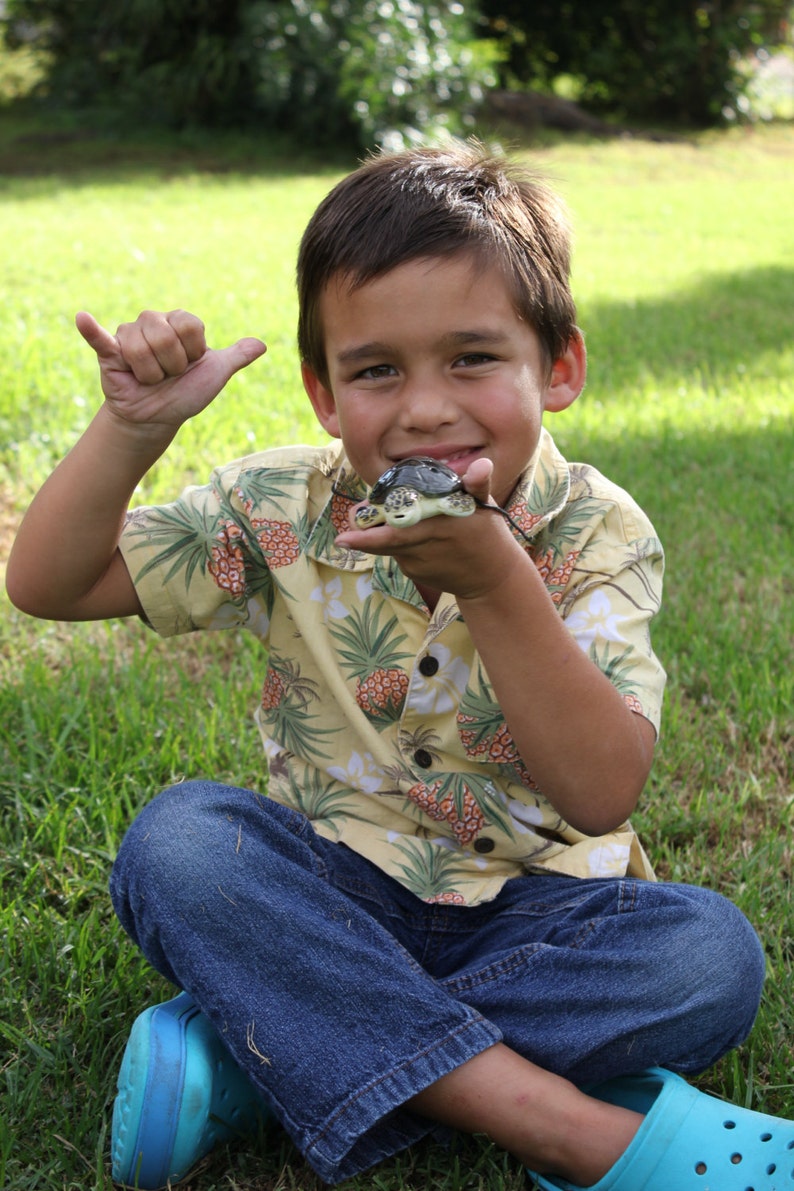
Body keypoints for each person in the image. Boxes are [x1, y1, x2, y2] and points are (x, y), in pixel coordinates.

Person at [6, 142, 790, 1191]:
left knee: (705, 960)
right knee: (181, 844)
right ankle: (562, 1127)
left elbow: (602, 792)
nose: (423, 408)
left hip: (538, 908)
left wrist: (499, 583)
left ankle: (265, 1047)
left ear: (556, 368)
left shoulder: (597, 533)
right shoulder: (277, 507)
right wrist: (130, 428)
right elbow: (52, 584)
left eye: (471, 358)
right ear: (325, 394)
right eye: (376, 370)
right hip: (331, 886)